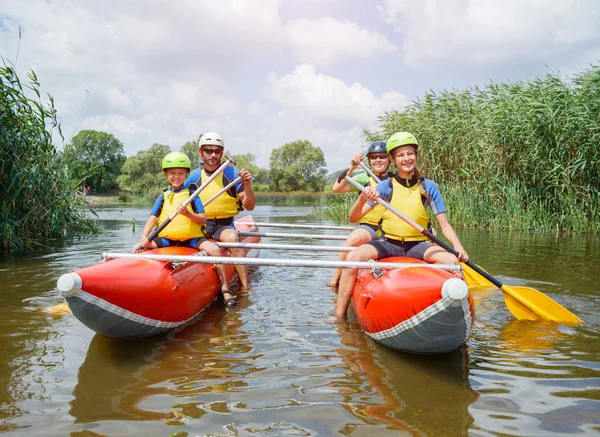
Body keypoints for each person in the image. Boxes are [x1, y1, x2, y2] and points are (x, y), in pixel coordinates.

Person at [335, 132, 469, 319]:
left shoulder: (429, 187)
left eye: (410, 153)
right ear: (393, 160)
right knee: (353, 258)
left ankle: (461, 313)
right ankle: (339, 316)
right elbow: (353, 217)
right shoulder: (385, 187)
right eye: (400, 155)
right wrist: (362, 199)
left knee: (453, 264)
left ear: (416, 156)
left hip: (418, 245)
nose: (406, 158)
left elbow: (444, 225)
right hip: (389, 243)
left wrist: (458, 247)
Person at [132, 152, 235, 307]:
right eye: (172, 173)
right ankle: (138, 285)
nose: (176, 177)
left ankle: (224, 289)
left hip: (192, 239)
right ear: (165, 174)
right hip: (168, 239)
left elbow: (202, 219)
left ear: (187, 174)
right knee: (136, 248)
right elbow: (152, 219)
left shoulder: (193, 195)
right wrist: (144, 237)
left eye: (181, 173)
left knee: (214, 249)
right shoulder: (163, 197)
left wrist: (188, 213)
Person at [185, 132, 255, 290]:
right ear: (200, 152)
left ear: (222, 153)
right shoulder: (193, 178)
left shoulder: (233, 175)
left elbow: (249, 206)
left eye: (217, 151)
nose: (213, 155)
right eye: (208, 150)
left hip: (222, 226)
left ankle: (245, 289)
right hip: (199, 224)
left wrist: (247, 185)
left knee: (232, 239)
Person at [328, 141, 393, 288]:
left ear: (389, 159)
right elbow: (337, 188)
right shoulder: (364, 178)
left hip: (392, 228)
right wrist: (352, 168)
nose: (378, 160)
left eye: (382, 156)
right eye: (374, 157)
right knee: (353, 239)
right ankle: (334, 282)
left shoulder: (394, 179)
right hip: (369, 227)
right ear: (369, 160)